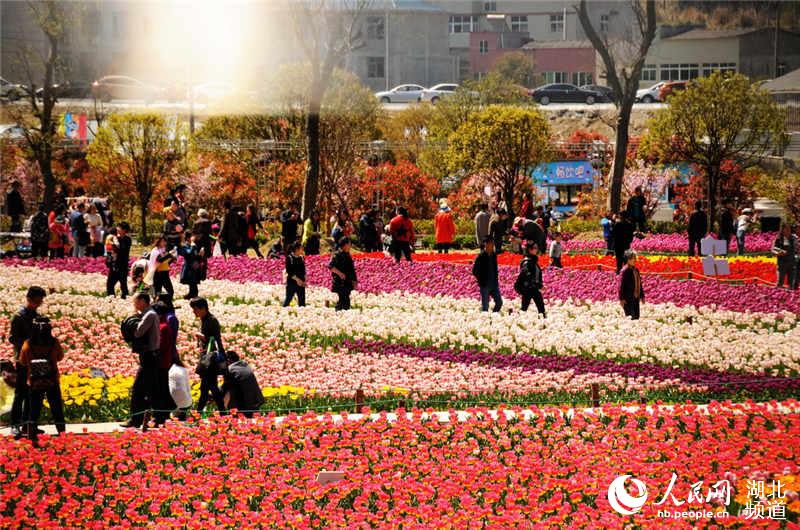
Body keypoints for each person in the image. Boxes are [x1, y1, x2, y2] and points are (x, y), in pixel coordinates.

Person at [8, 286, 46, 439]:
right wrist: (27, 344)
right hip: (22, 359)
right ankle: (15, 425)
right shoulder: (19, 316)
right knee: (21, 393)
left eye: (40, 301)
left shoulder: (37, 316)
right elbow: (12, 338)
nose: (38, 304)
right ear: (29, 299)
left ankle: (29, 425)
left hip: (36, 360)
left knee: (33, 393)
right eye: (36, 301)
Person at [19, 317, 65, 441]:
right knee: (56, 409)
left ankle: (31, 435)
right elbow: (60, 357)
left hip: (34, 382)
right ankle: (62, 435)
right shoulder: (54, 343)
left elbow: (22, 361)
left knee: (33, 409)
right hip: (52, 380)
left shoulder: (27, 344)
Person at [121, 292, 161, 428]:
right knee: (150, 389)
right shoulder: (150, 313)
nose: (134, 304)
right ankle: (152, 419)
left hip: (149, 356)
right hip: (151, 355)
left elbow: (138, 331)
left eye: (136, 301)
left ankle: (136, 420)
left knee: (139, 389)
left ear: (143, 301)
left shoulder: (149, 314)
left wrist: (133, 318)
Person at [190, 297, 226, 413]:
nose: (193, 312)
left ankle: (218, 412)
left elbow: (215, 339)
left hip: (211, 359)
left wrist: (201, 336)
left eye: (195, 309)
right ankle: (219, 412)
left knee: (210, 387)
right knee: (207, 387)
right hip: (207, 358)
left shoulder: (211, 320)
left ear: (203, 308)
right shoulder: (205, 319)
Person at [152, 302, 176, 426]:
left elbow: (159, 347)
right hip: (163, 363)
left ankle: (161, 416)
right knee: (163, 389)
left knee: (160, 390)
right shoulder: (163, 325)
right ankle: (164, 414)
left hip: (161, 363)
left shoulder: (162, 326)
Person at [221, 351, 264, 417]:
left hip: (242, 405)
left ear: (228, 360)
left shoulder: (230, 370)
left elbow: (224, 388)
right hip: (255, 402)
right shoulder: (246, 365)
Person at [472, 237, 502, 312]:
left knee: (499, 302)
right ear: (486, 244)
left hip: (494, 284)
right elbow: (475, 271)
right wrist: (481, 280)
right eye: (490, 244)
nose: (492, 246)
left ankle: (494, 315)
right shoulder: (480, 257)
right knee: (485, 306)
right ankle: (485, 320)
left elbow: (495, 269)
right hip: (485, 285)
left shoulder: (493, 255)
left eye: (492, 244)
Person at [515, 242, 545, 316]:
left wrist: (539, 284)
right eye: (535, 248)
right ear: (529, 250)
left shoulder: (533, 261)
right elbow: (528, 276)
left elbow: (536, 275)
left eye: (536, 248)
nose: (536, 250)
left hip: (534, 288)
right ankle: (514, 317)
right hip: (528, 288)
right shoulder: (526, 262)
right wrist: (539, 285)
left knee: (541, 307)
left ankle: (543, 323)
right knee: (524, 308)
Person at [328, 237, 358, 311]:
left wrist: (354, 281)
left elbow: (351, 269)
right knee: (341, 302)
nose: (350, 245)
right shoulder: (337, 255)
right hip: (340, 283)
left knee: (346, 302)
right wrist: (340, 273)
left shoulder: (347, 255)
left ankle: (342, 317)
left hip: (347, 283)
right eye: (349, 243)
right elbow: (331, 266)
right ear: (344, 245)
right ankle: (338, 317)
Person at [178, 232, 206, 299]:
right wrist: (193, 247)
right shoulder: (184, 246)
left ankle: (193, 295)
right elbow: (188, 254)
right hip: (189, 267)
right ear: (188, 238)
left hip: (194, 267)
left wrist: (200, 255)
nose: (194, 237)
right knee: (192, 282)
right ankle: (192, 295)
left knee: (194, 282)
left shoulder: (193, 245)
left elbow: (195, 256)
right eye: (192, 236)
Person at [619, 250, 645, 320]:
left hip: (636, 297)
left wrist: (642, 296)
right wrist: (621, 299)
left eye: (635, 258)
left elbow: (639, 283)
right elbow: (621, 286)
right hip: (627, 299)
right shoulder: (625, 271)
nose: (634, 260)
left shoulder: (636, 270)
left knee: (637, 317)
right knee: (630, 318)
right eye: (632, 258)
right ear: (627, 260)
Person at [772, 223, 798, 290]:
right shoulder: (778, 238)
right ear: (782, 229)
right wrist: (779, 253)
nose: (788, 230)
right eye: (786, 228)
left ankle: (790, 297)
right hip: (782, 263)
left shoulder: (793, 238)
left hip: (792, 262)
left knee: (791, 283)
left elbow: (797, 248)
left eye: (789, 228)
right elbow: (773, 250)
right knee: (780, 282)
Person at [168, 354, 192, 421]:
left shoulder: (169, 370)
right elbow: (187, 387)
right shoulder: (183, 369)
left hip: (173, 403)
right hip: (187, 402)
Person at [283, 241, 306, 307]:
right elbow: (289, 271)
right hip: (292, 282)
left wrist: (304, 281)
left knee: (302, 303)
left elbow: (303, 271)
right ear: (297, 249)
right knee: (288, 300)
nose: (303, 249)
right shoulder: (289, 258)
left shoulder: (301, 258)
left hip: (301, 283)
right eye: (301, 248)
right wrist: (297, 280)